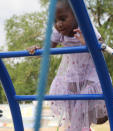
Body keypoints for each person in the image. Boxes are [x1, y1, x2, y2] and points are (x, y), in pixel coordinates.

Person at [28, 0, 106, 131]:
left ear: (76, 15)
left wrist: (88, 42)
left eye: (63, 19)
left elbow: (101, 45)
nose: (58, 24)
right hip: (72, 75)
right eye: (55, 21)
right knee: (71, 107)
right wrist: (37, 49)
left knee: (82, 105)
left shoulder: (85, 26)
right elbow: (46, 49)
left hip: (90, 77)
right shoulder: (58, 32)